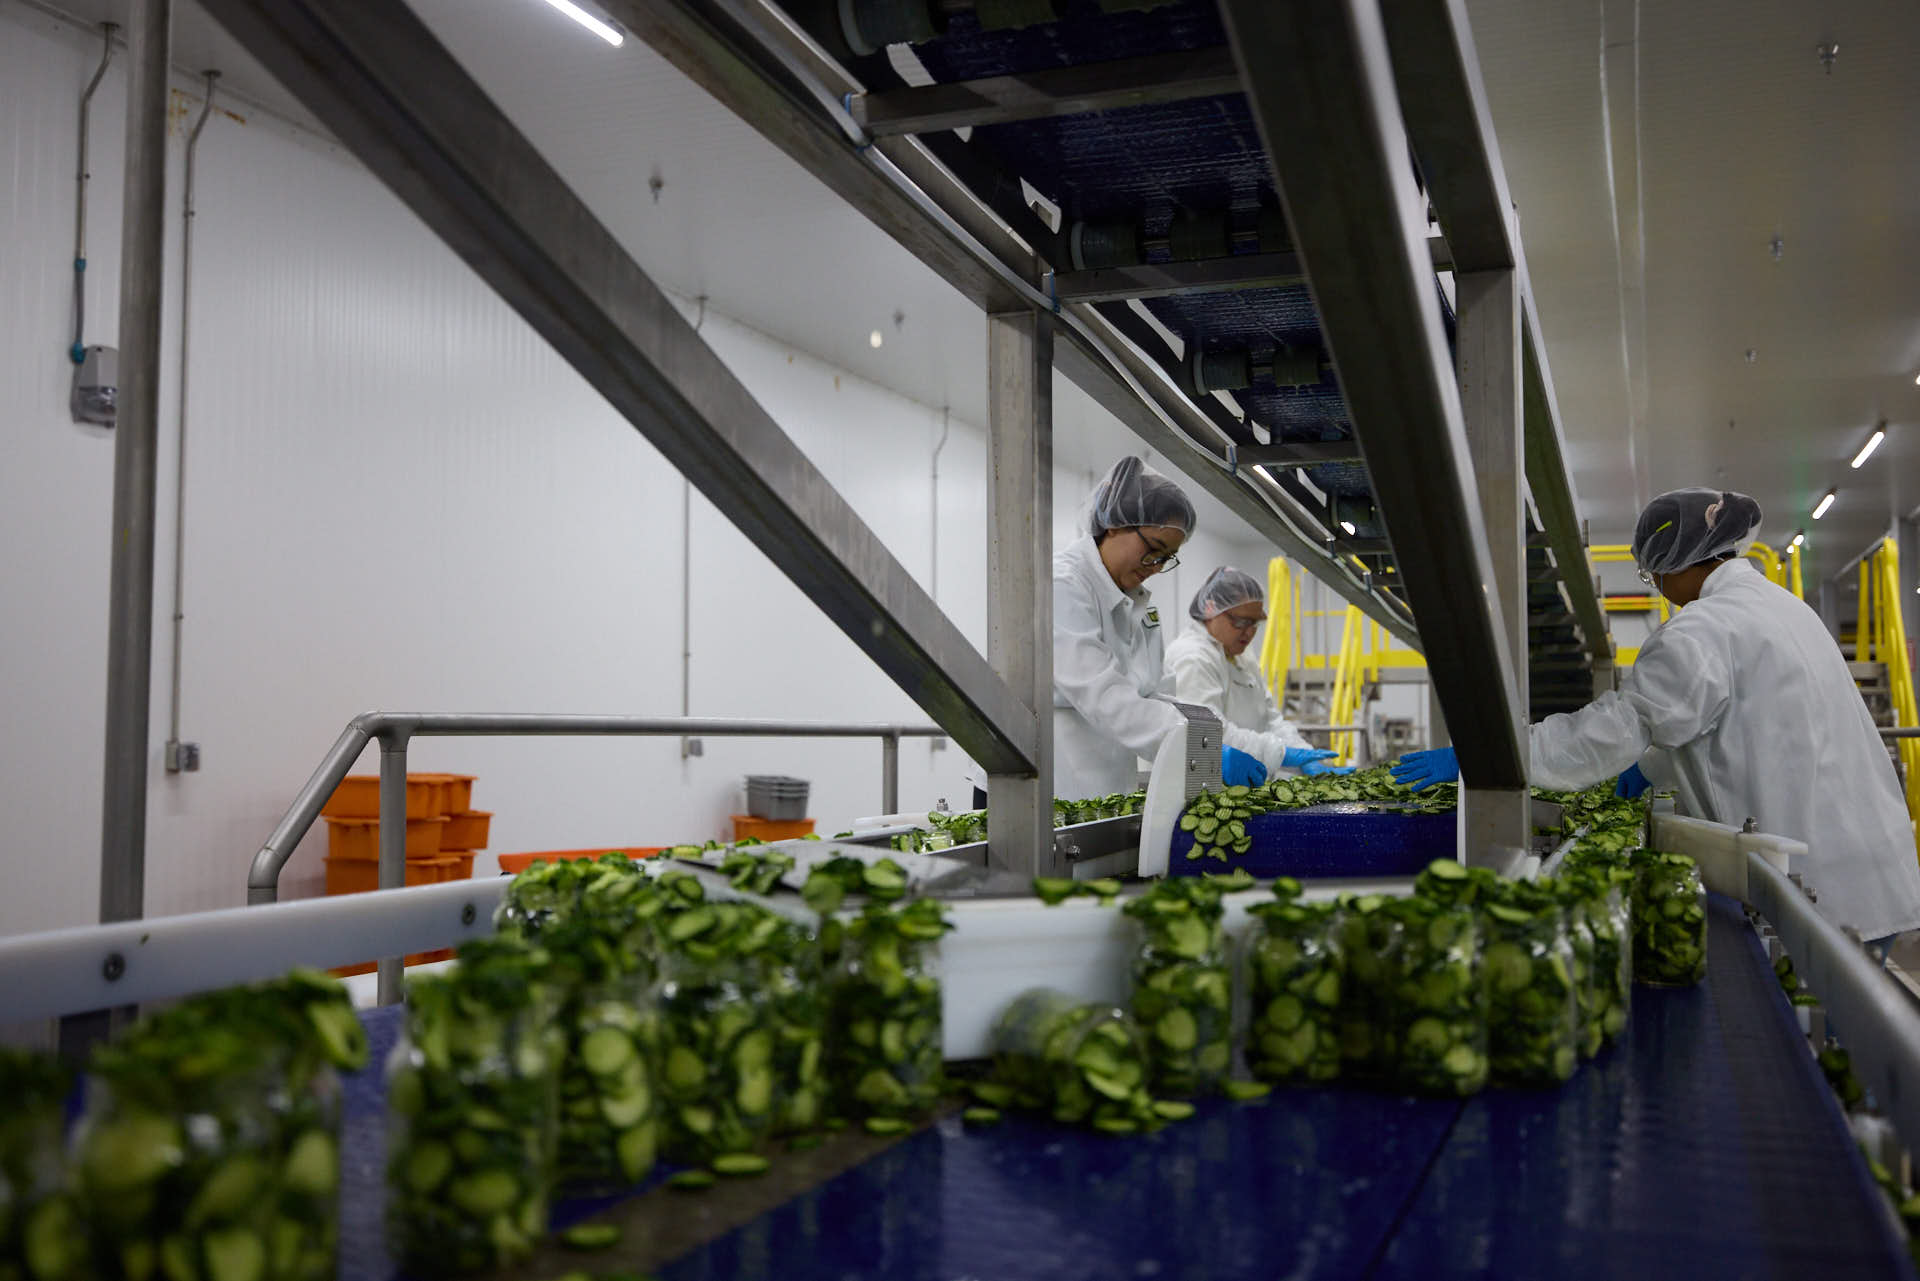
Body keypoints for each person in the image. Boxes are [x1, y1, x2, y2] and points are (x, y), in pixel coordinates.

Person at [1391, 487, 1920, 945]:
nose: (1659, 590)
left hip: (1815, 884)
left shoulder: (1702, 630)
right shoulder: (1781, 608)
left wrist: (1486, 757)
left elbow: (1611, 730)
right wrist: (1655, 765)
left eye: (1653, 576)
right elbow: (1745, 728)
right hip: (1870, 866)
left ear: (1678, 561)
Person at [1043, 457, 1267, 805]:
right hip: (1044, 786)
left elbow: (1156, 694)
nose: (1157, 567)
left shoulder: (1136, 601)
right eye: (1154, 550)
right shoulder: (1063, 585)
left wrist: (1213, 741)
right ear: (1115, 525)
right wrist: (1201, 751)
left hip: (1100, 789)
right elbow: (1105, 697)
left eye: (1168, 558)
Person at [1166, 566, 1350, 778]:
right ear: (1211, 610)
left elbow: (1270, 718)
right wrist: (1279, 753)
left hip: (1240, 786)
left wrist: (1306, 756)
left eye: (1255, 623)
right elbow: (1208, 735)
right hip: (1198, 785)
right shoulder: (1192, 658)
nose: (1249, 632)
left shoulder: (1242, 656)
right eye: (1240, 621)